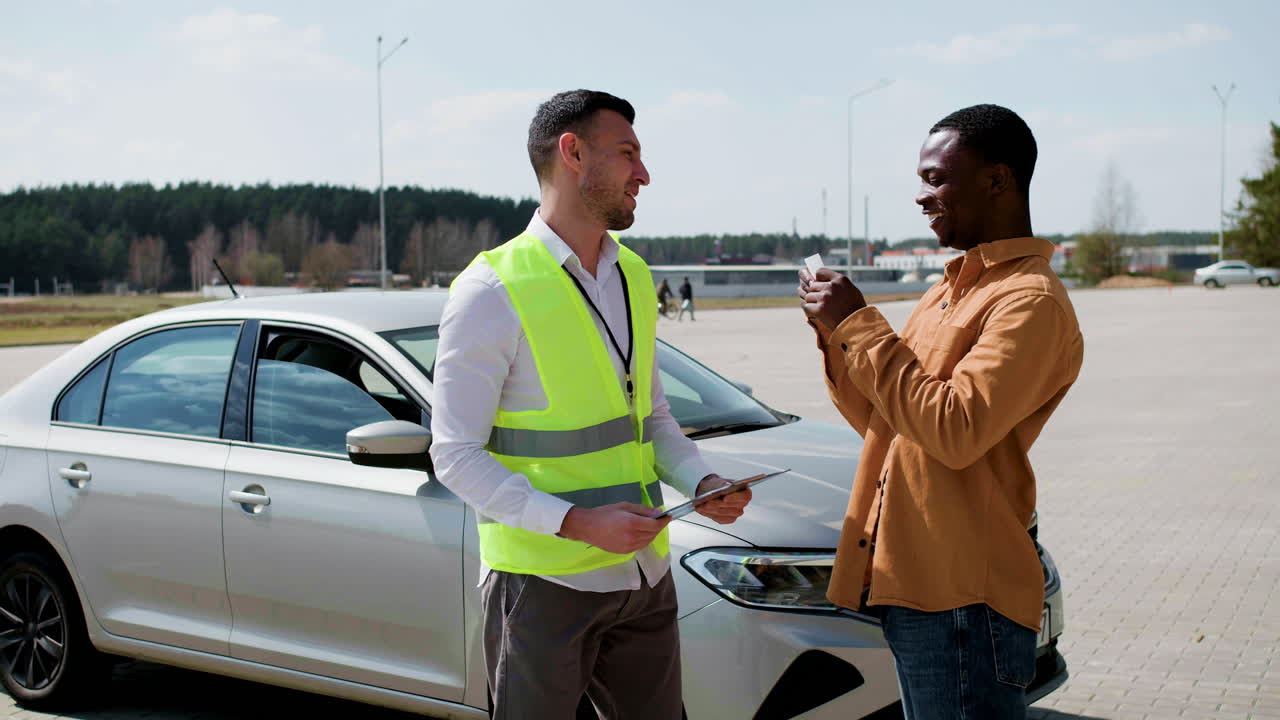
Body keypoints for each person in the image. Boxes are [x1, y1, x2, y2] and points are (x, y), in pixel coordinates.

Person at [430, 89, 752, 720]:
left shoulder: (632, 273)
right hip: (544, 584)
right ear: (572, 153)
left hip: (644, 575)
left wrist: (702, 479)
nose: (644, 173)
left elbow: (650, 417)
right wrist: (577, 524)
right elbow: (455, 456)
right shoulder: (490, 290)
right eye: (628, 152)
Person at [797, 104, 1083, 720]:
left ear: (997, 180)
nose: (922, 197)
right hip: (916, 584)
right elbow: (890, 423)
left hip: (964, 600)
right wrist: (835, 334)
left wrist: (859, 323)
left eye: (935, 179)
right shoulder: (948, 290)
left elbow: (953, 431)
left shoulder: (1028, 301)